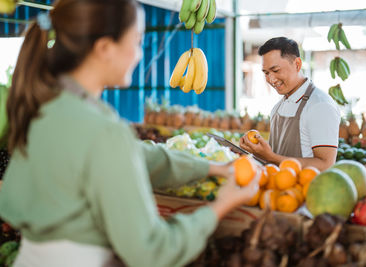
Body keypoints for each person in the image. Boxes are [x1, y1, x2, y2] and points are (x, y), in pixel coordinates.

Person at [0, 0, 260, 266]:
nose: (138, 54)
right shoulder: (102, 129)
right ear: (104, 48)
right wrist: (220, 207)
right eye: (136, 41)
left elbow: (132, 156)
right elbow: (152, 252)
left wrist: (211, 168)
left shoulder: (45, 107)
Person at [240, 37, 340, 171]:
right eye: (266, 73)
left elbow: (325, 165)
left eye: (275, 70)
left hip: (307, 191)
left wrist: (271, 157)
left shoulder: (320, 105)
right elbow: (275, 158)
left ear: (297, 64)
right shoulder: (277, 108)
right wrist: (257, 152)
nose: (271, 79)